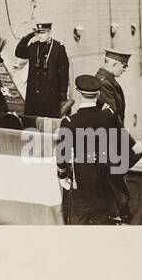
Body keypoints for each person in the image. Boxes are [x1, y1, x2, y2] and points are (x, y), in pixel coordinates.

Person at [55, 74, 136, 224]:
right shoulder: (109, 116)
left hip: (81, 181)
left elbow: (62, 155)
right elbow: (125, 145)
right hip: (105, 181)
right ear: (98, 94)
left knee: (79, 222)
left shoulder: (69, 122)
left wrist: (62, 177)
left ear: (78, 94)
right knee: (102, 221)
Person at [13, 21, 70, 118]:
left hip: (50, 94)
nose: (40, 36)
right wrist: (29, 36)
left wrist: (63, 93)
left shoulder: (58, 48)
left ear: (49, 33)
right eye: (39, 33)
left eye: (43, 33)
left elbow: (64, 72)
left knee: (48, 123)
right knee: (31, 122)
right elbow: (18, 53)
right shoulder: (34, 46)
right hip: (33, 94)